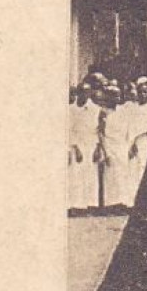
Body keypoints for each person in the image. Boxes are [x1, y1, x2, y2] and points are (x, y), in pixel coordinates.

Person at [66, 83, 100, 212]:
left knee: (89, 176)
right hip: (76, 146)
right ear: (78, 93)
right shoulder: (71, 109)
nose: (84, 95)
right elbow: (69, 130)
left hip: (91, 144)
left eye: (87, 92)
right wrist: (75, 147)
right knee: (76, 175)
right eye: (82, 92)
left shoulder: (95, 109)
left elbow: (97, 130)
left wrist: (97, 147)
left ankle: (90, 205)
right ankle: (75, 206)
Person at [127, 76, 147, 197]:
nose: (142, 95)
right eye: (140, 92)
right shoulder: (132, 108)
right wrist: (132, 143)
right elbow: (130, 127)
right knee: (134, 170)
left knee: (146, 169)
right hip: (133, 144)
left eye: (145, 92)